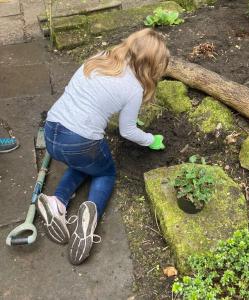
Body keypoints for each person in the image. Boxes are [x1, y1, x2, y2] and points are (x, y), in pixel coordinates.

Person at [36, 28, 169, 265]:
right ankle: (89, 217)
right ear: (152, 65)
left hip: (52, 131)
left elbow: (95, 96)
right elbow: (127, 132)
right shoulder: (134, 88)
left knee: (86, 163)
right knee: (105, 171)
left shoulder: (100, 57)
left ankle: (56, 203)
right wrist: (151, 140)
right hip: (80, 141)